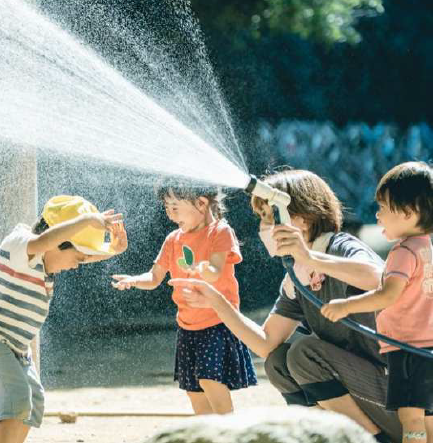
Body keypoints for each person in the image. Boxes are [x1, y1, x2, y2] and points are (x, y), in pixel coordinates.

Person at [169, 169, 401, 443]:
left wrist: (311, 258)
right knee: (279, 362)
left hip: (401, 401)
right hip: (373, 396)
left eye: (268, 218)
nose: (263, 229)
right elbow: (267, 343)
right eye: (262, 220)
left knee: (305, 352)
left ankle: (371, 438)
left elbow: (381, 278)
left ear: (302, 219)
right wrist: (215, 301)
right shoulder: (298, 276)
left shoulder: (339, 247)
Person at [0, 195, 127, 443]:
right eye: (78, 258)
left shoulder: (47, 262)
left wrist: (114, 250)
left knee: (33, 401)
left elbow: (78, 252)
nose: (77, 266)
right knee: (16, 397)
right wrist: (87, 221)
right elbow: (47, 240)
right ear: (59, 242)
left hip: (14, 344)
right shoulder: (21, 244)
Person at [112, 181, 257, 415]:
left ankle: (230, 432)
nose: (169, 213)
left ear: (201, 203)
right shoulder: (173, 239)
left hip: (217, 323)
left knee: (211, 381)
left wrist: (202, 269)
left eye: (175, 206)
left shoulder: (220, 231)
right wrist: (134, 280)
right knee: (195, 391)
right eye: (166, 207)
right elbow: (154, 277)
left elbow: (216, 270)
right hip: (187, 326)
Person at [321, 162, 433, 443]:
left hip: (408, 349)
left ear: (408, 213)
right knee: (428, 417)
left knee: (411, 418)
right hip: (428, 348)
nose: (377, 215)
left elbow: (388, 294)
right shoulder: (427, 248)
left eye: (383, 207)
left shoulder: (404, 251)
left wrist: (345, 306)